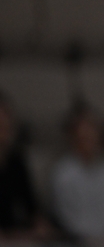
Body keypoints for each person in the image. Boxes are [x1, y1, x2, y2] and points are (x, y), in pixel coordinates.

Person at [50, 101, 104, 242]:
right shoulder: (63, 174)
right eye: (83, 133)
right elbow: (69, 222)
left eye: (93, 130)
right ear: (73, 136)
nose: (89, 137)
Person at [0, 92, 53, 242]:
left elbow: (31, 206)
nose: (4, 124)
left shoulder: (16, 162)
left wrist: (39, 224)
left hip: (16, 236)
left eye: (6, 119)